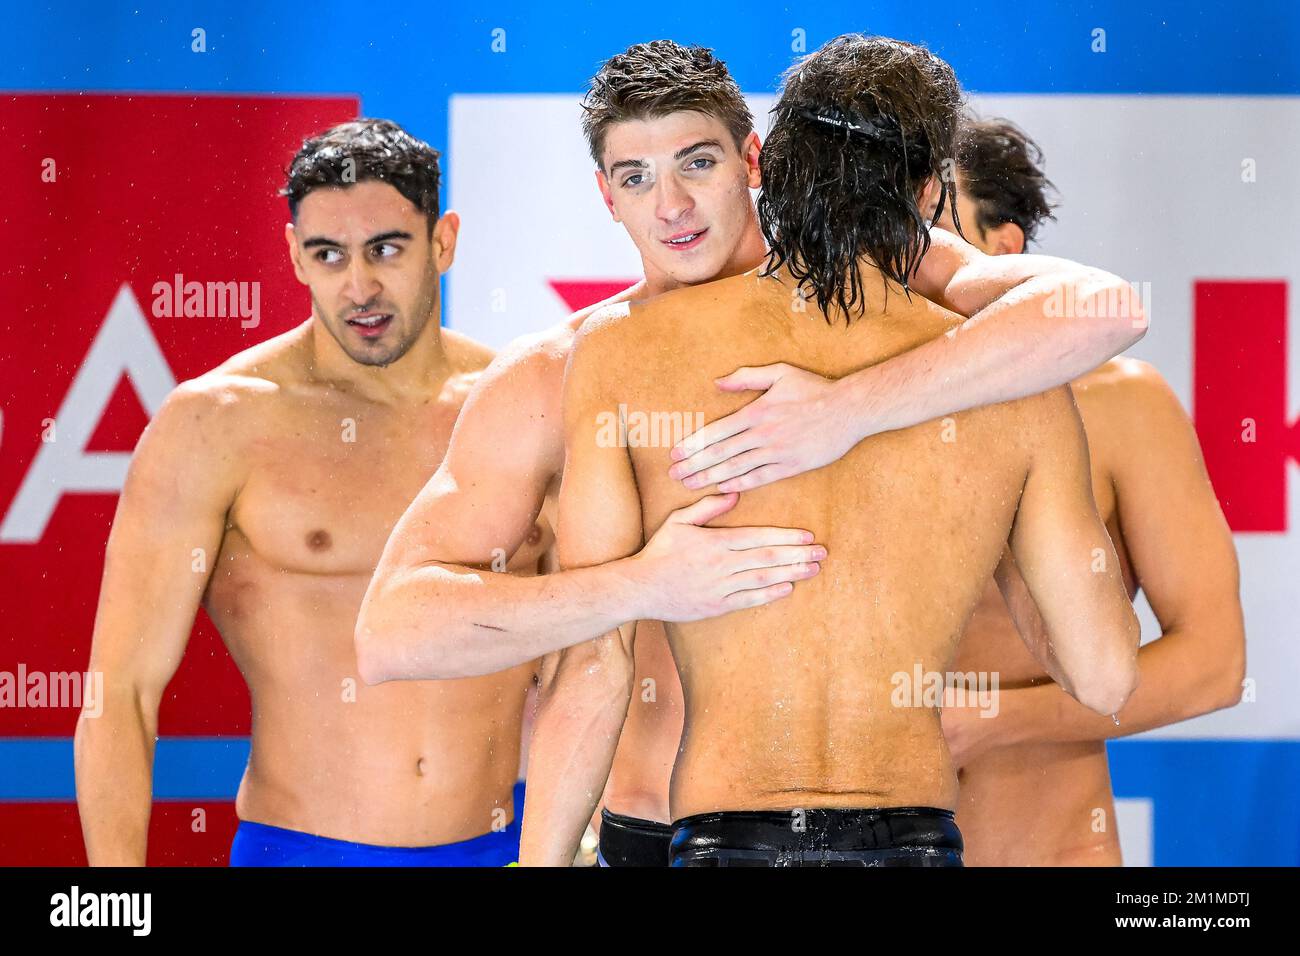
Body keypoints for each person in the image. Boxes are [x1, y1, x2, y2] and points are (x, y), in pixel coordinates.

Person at [358, 39, 1148, 868]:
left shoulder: (623, 360)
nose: (672, 205)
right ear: (606, 196)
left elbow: (1103, 308)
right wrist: (641, 585)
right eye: (636, 178)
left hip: (718, 830)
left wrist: (845, 413)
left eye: (696, 164)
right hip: (773, 828)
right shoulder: (564, 366)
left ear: (756, 160)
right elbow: (390, 635)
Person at [76, 119, 542, 866]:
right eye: (328, 256)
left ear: (443, 241)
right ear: (295, 255)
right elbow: (120, 696)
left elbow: (605, 646)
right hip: (303, 847)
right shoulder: (219, 422)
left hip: (515, 843)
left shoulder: (518, 408)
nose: (359, 287)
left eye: (386, 249)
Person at [926, 117, 1245, 866]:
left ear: (1003, 249)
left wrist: (989, 720)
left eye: (933, 227)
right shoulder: (833, 414)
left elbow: (1215, 664)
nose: (907, 257)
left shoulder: (1118, 404)